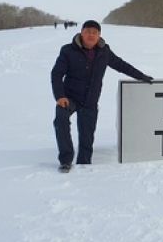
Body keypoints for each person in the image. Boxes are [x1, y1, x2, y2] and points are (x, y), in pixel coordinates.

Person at [51, 20, 153, 172]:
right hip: (69, 98)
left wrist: (141, 76)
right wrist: (60, 96)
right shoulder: (68, 50)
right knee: (61, 118)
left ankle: (84, 163)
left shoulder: (104, 51)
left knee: (87, 136)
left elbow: (120, 65)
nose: (91, 35)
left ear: (99, 35)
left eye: (95, 32)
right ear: (81, 33)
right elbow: (56, 74)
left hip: (90, 100)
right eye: (88, 31)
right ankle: (66, 159)